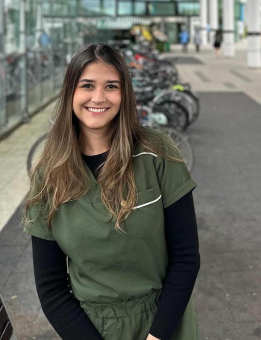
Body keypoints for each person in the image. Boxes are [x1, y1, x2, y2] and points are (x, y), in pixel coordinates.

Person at [23, 44, 200, 340]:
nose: (98, 97)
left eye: (111, 86)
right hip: (89, 327)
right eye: (87, 85)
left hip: (164, 322)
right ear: (70, 93)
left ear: (124, 94)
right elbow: (51, 287)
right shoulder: (50, 175)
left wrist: (157, 336)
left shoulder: (157, 154)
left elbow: (186, 257)